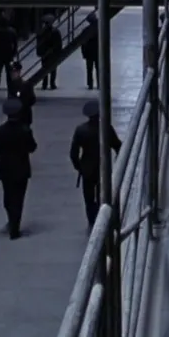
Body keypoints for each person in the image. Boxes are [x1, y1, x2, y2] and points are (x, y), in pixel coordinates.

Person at [0, 98, 37, 239]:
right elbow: (32, 147)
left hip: (5, 169)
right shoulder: (25, 130)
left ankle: (11, 219)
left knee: (8, 197)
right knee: (19, 198)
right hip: (21, 168)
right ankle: (15, 226)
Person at [69, 100, 121, 228]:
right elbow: (117, 146)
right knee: (103, 195)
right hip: (103, 167)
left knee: (89, 198)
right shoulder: (106, 128)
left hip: (87, 168)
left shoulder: (80, 130)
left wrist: (79, 167)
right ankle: (103, 219)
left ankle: (92, 221)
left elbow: (73, 153)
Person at [36, 15, 63, 90]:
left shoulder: (42, 32)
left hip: (45, 53)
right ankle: (52, 84)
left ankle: (45, 84)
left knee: (44, 68)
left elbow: (39, 42)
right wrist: (58, 51)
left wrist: (40, 52)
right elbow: (59, 43)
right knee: (53, 69)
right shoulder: (55, 31)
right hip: (53, 53)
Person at [0, 14, 18, 91]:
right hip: (9, 53)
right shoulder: (12, 31)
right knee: (9, 71)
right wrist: (14, 52)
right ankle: (9, 85)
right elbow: (15, 43)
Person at [80, 14, 99, 89]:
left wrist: (84, 53)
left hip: (89, 52)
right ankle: (100, 83)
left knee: (89, 69)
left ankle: (90, 84)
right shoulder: (100, 29)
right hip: (98, 52)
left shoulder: (86, 30)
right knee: (99, 69)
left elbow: (83, 43)